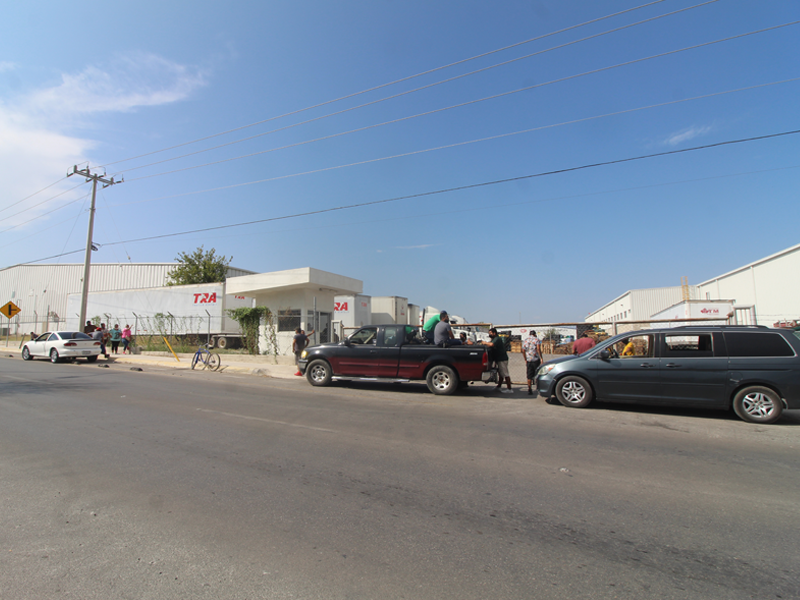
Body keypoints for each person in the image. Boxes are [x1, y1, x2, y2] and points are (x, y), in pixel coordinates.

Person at [483, 327, 512, 393]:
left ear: (494, 333)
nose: (489, 334)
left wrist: (484, 343)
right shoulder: (493, 339)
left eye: (490, 333)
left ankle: (509, 388)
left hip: (502, 359)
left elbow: (492, 344)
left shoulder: (497, 339)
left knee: (505, 373)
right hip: (498, 359)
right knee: (501, 374)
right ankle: (499, 386)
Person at [521, 330, 543, 396]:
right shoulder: (537, 340)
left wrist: (525, 359)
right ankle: (538, 388)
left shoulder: (525, 340)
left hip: (529, 360)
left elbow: (523, 350)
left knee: (529, 375)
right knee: (537, 374)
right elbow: (538, 349)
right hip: (535, 359)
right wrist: (541, 358)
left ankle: (529, 389)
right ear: (535, 334)